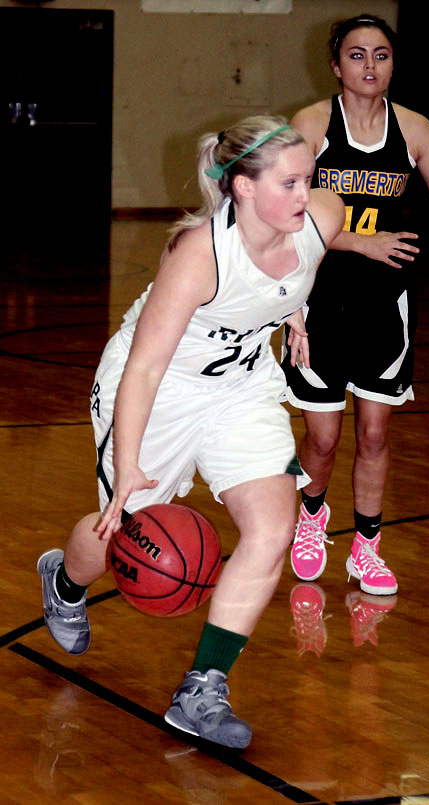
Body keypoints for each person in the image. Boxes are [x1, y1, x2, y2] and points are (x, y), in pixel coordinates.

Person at [37, 114, 345, 749]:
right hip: (162, 388)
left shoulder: (323, 214)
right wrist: (128, 464)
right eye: (289, 183)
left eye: (308, 178)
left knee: (273, 528)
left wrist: (294, 311)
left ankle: (203, 688)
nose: (306, 192)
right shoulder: (200, 254)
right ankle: (65, 581)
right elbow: (145, 367)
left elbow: (297, 270)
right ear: (244, 188)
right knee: (125, 527)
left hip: (240, 385)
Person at [282, 14, 429, 594]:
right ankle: (312, 517)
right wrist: (360, 242)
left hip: (385, 301)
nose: (370, 65)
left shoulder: (415, 130)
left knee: (376, 434)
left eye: (380, 55)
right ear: (336, 66)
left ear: (392, 64)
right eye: (357, 55)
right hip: (318, 298)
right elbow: (285, 214)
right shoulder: (311, 125)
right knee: (323, 440)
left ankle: (367, 548)